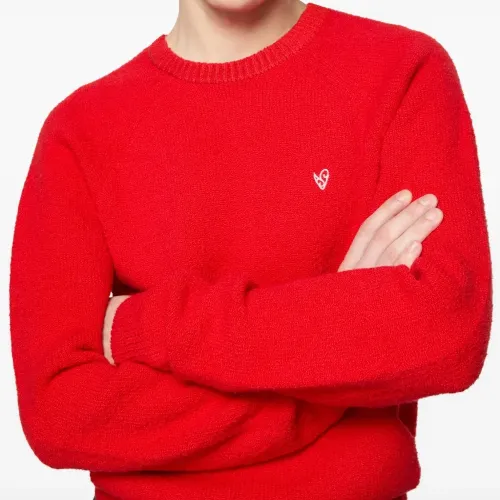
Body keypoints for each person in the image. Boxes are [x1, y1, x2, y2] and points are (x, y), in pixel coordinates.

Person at [9, 1, 492, 499]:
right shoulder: (81, 128)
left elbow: (445, 334)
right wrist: (335, 355)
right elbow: (60, 414)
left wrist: (145, 326)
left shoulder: (402, 69)